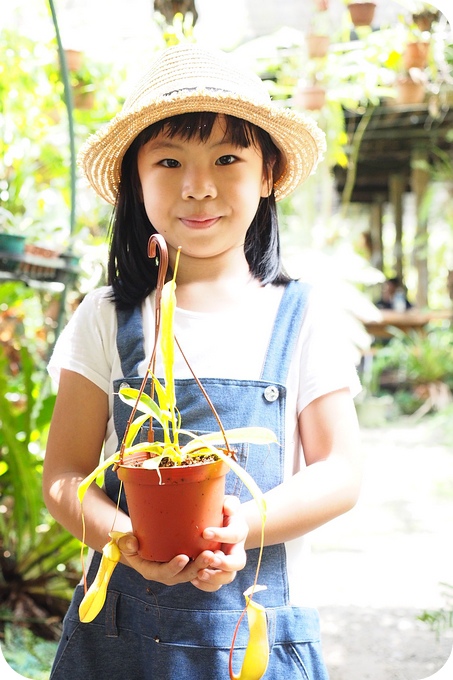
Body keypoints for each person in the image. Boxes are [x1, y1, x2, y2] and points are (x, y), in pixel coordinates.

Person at [43, 44, 362, 680]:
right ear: (137, 178)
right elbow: (65, 476)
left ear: (267, 173)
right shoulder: (106, 316)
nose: (198, 186)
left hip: (255, 645)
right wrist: (122, 540)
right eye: (169, 160)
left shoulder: (302, 315)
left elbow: (340, 472)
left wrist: (240, 526)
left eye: (227, 158)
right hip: (120, 646)